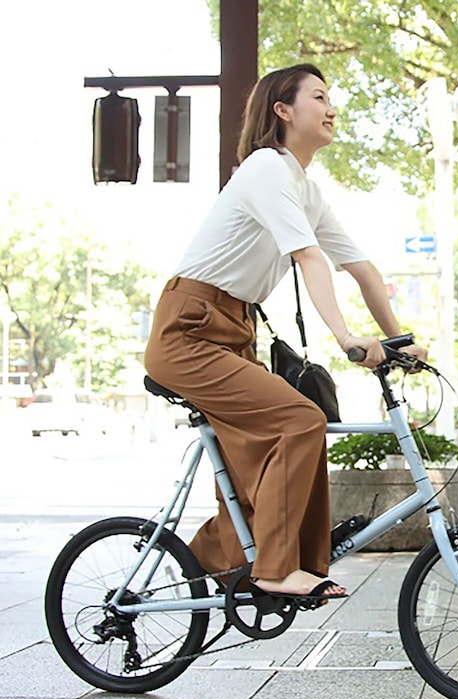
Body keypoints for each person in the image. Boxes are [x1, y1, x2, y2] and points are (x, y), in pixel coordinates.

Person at [144, 63, 426, 605]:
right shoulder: (265, 169)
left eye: (330, 97)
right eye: (318, 96)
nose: (331, 107)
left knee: (264, 467)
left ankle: (218, 559)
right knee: (301, 420)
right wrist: (346, 339)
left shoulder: (304, 188)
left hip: (232, 332)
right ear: (283, 109)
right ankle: (273, 570)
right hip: (190, 329)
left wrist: (400, 340)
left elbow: (361, 269)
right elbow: (308, 257)